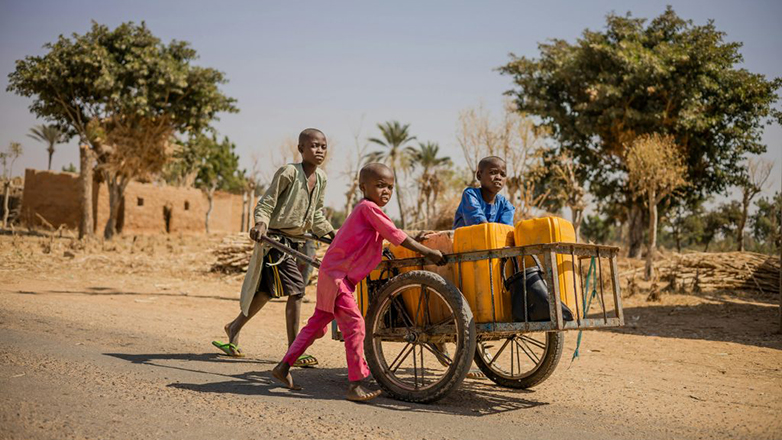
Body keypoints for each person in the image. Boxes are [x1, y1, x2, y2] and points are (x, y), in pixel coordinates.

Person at [272, 163, 446, 401]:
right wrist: (427, 252)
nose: (386, 191)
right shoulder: (367, 207)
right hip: (338, 278)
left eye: (390, 187)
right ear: (364, 187)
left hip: (332, 275)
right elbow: (395, 235)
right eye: (380, 185)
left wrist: (413, 237)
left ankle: (283, 367)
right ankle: (355, 384)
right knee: (355, 325)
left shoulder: (368, 211)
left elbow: (390, 233)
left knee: (316, 326)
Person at [212, 128, 335, 369]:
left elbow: (316, 214)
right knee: (297, 291)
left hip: (300, 241)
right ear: (301, 149)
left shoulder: (321, 178)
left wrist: (333, 235)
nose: (319, 150)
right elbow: (267, 202)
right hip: (276, 242)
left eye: (323, 146)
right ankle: (294, 350)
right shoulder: (289, 172)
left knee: (267, 292)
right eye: (313, 146)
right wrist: (260, 224)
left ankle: (233, 327)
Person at [453, 156, 515, 228]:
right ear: (479, 175)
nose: (498, 177)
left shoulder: (506, 206)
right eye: (493, 172)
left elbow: (505, 229)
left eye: (503, 175)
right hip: (465, 238)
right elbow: (479, 224)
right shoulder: (471, 195)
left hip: (492, 238)